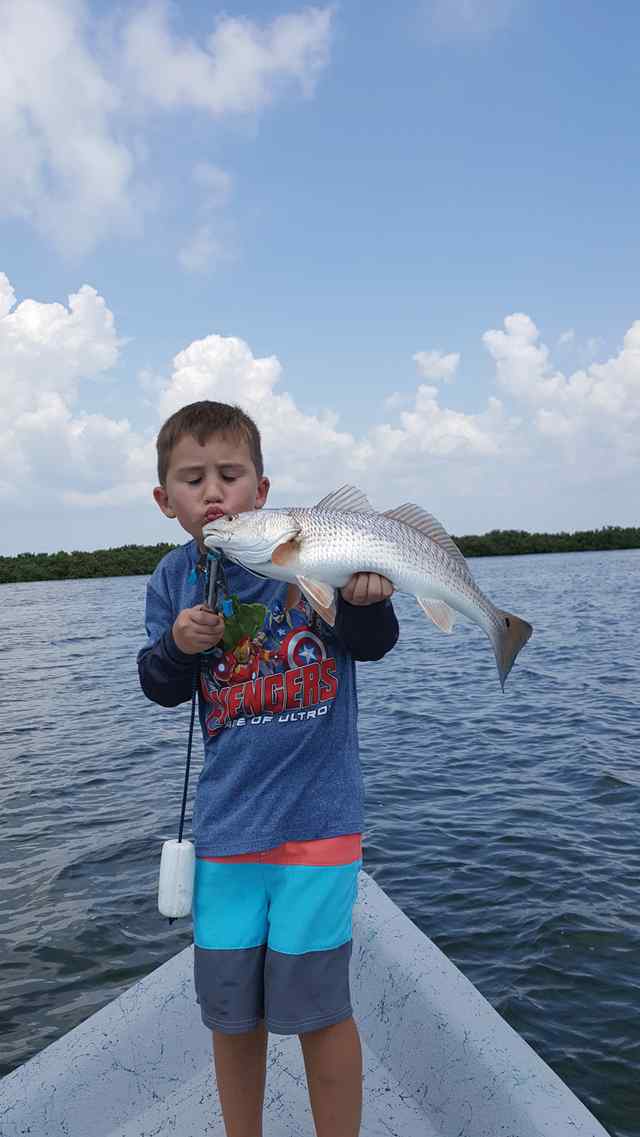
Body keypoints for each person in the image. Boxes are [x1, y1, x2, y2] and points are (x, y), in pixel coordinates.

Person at [138, 400, 398, 1137]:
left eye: (231, 473)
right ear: (166, 502)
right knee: (231, 1016)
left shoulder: (317, 552)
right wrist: (180, 648)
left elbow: (373, 641)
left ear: (263, 488)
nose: (213, 490)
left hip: (319, 827)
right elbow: (158, 684)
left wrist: (365, 598)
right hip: (225, 835)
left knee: (321, 1011)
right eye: (193, 479)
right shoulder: (170, 579)